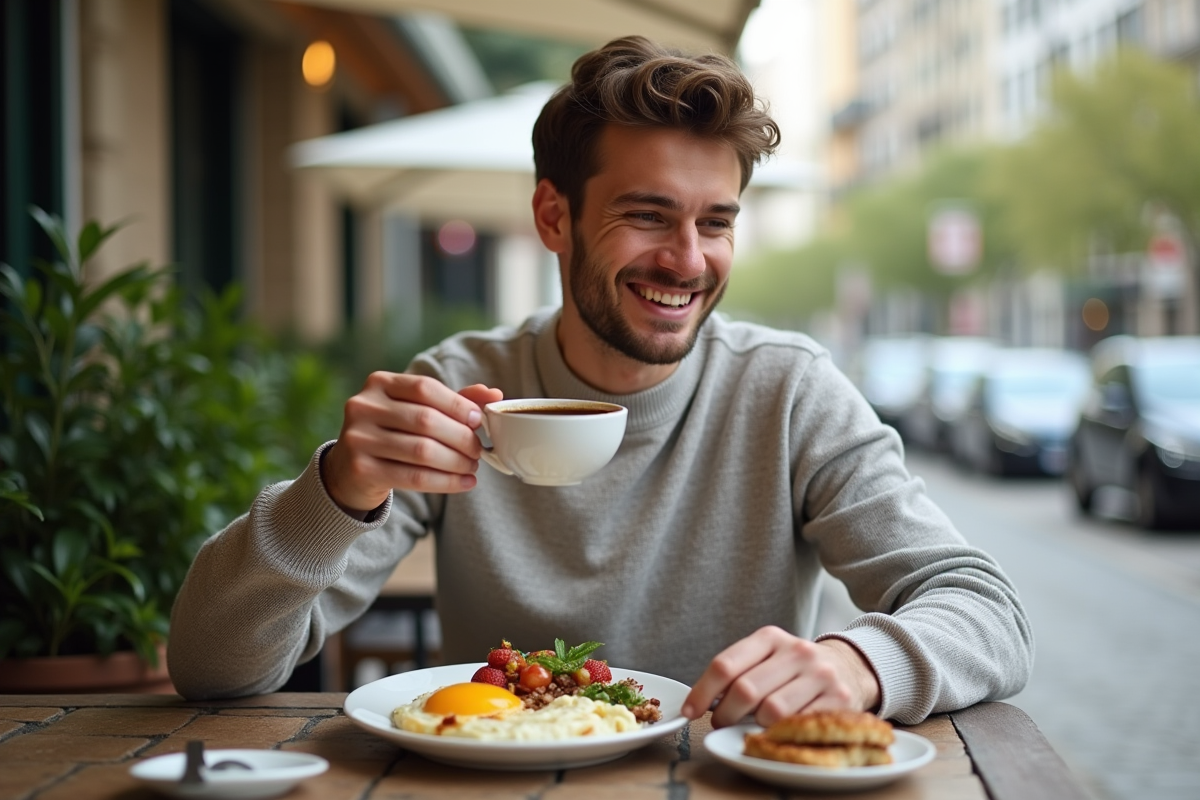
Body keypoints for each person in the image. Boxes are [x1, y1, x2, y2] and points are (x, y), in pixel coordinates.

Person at [168, 36, 1032, 727]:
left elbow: (985, 611)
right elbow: (211, 669)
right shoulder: (461, 388)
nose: (687, 261)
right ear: (555, 217)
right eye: (648, 215)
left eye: (716, 223)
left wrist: (859, 662)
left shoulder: (788, 394)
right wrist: (335, 491)